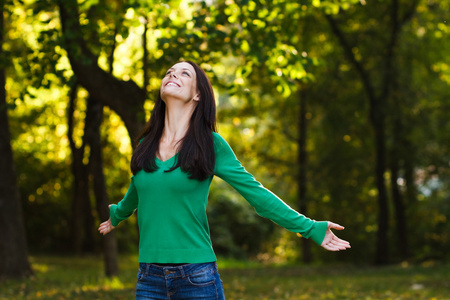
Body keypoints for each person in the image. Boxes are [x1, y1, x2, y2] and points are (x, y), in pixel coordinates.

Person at [98, 61, 350, 300]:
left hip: (196, 277)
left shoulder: (210, 144)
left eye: (184, 74)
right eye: (169, 72)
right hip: (148, 277)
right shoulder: (145, 144)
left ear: (198, 94)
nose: (172, 74)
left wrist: (310, 228)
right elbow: (139, 187)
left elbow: (256, 194)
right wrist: (117, 214)